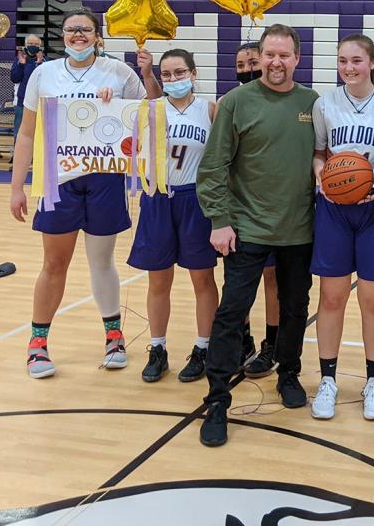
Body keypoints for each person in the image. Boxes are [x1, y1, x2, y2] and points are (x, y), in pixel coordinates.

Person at [9, 7, 161, 378]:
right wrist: (17, 186)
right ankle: (38, 343)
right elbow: (27, 132)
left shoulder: (119, 72)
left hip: (104, 178)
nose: (78, 35)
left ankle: (113, 334)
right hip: (58, 179)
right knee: (54, 264)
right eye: (72, 29)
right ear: (63, 35)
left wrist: (145, 74)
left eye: (85, 29)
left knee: (102, 261)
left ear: (97, 35)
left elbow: (152, 111)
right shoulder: (44, 74)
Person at [197, 24, 318, 447]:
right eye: (269, 54)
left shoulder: (312, 103)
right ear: (259, 57)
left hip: (300, 229)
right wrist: (219, 220)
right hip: (247, 227)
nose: (276, 62)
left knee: (294, 309)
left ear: (297, 59)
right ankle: (216, 400)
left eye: (284, 55)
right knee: (232, 312)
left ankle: (289, 374)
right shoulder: (236, 103)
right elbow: (212, 168)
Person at [310, 35, 374, 421]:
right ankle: (328, 381)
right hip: (332, 210)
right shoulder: (324, 103)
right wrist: (324, 178)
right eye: (343, 61)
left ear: (372, 62)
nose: (349, 68)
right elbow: (318, 153)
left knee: (373, 300)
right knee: (331, 297)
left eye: (357, 60)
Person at [129, 49, 220, 384]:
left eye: (179, 73)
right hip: (158, 198)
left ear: (193, 74)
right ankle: (157, 348)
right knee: (158, 279)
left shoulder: (210, 109)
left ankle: (203, 348)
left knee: (202, 278)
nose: (173, 80)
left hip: (195, 200)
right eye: (167, 75)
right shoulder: (150, 109)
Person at [231, 41, 280, 377]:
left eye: (252, 61)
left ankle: (272, 346)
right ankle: (243, 339)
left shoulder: (289, 101)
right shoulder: (227, 104)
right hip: (240, 210)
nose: (246, 67)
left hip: (278, 210)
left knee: (273, 280)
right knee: (239, 284)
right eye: (241, 63)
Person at [11, 34, 43, 139]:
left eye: (35, 44)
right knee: (20, 132)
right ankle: (17, 155)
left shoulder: (46, 61)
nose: (33, 45)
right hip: (22, 103)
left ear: (40, 46)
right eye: (30, 43)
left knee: (38, 133)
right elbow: (15, 78)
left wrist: (38, 64)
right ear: (25, 45)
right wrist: (21, 64)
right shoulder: (19, 60)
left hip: (40, 103)